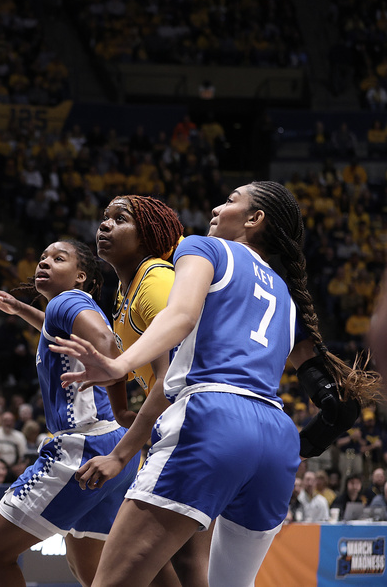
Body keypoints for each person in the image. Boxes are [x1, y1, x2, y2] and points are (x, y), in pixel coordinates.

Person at [53, 181, 381, 587]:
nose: (214, 207)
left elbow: (181, 315)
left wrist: (119, 363)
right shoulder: (286, 295)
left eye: (229, 200)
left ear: (254, 218)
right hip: (277, 443)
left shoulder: (203, 248)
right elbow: (334, 400)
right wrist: (311, 439)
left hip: (212, 419)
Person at [0, 241, 140, 587]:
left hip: (83, 446)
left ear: (80, 276)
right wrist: (20, 309)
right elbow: (58, 334)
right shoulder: (66, 309)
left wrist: (118, 389)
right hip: (114, 445)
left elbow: (109, 347)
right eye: (43, 257)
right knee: (91, 574)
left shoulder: (66, 302)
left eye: (58, 258)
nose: (45, 263)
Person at [78, 195, 208, 585]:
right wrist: (120, 411)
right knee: (175, 566)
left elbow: (172, 378)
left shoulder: (156, 280)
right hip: (181, 427)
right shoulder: (126, 289)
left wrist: (121, 454)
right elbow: (122, 357)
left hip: (195, 424)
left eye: (120, 219)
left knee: (166, 565)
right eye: (104, 218)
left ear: (149, 234)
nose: (105, 225)